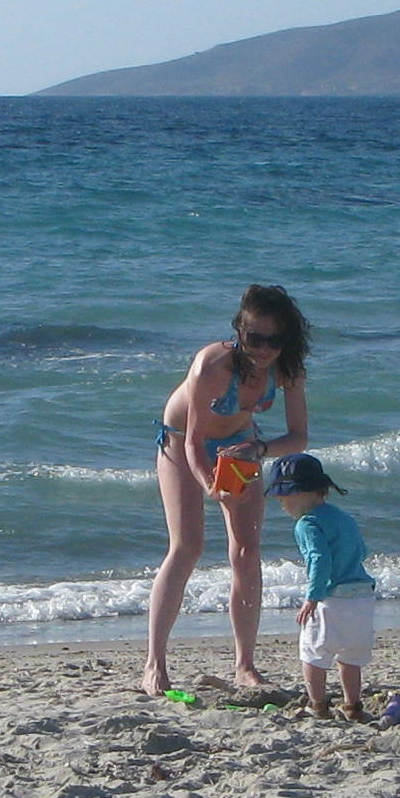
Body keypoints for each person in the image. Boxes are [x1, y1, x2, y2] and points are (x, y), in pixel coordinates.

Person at [143, 284, 312, 700]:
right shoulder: (212, 366)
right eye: (255, 338)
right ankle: (154, 663)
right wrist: (209, 485)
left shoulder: (287, 370)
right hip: (181, 440)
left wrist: (259, 449)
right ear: (239, 331)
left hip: (241, 445)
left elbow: (299, 437)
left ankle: (245, 665)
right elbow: (193, 440)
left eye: (274, 340)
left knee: (246, 552)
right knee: (187, 546)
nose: (264, 349)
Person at [269, 452, 380, 719]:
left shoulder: (307, 524)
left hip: (332, 598)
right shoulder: (343, 517)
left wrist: (312, 597)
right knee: (350, 656)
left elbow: (319, 560)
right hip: (363, 597)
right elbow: (361, 551)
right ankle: (352, 705)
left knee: (313, 653)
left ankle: (317, 705)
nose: (280, 502)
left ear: (300, 492)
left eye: (283, 496)